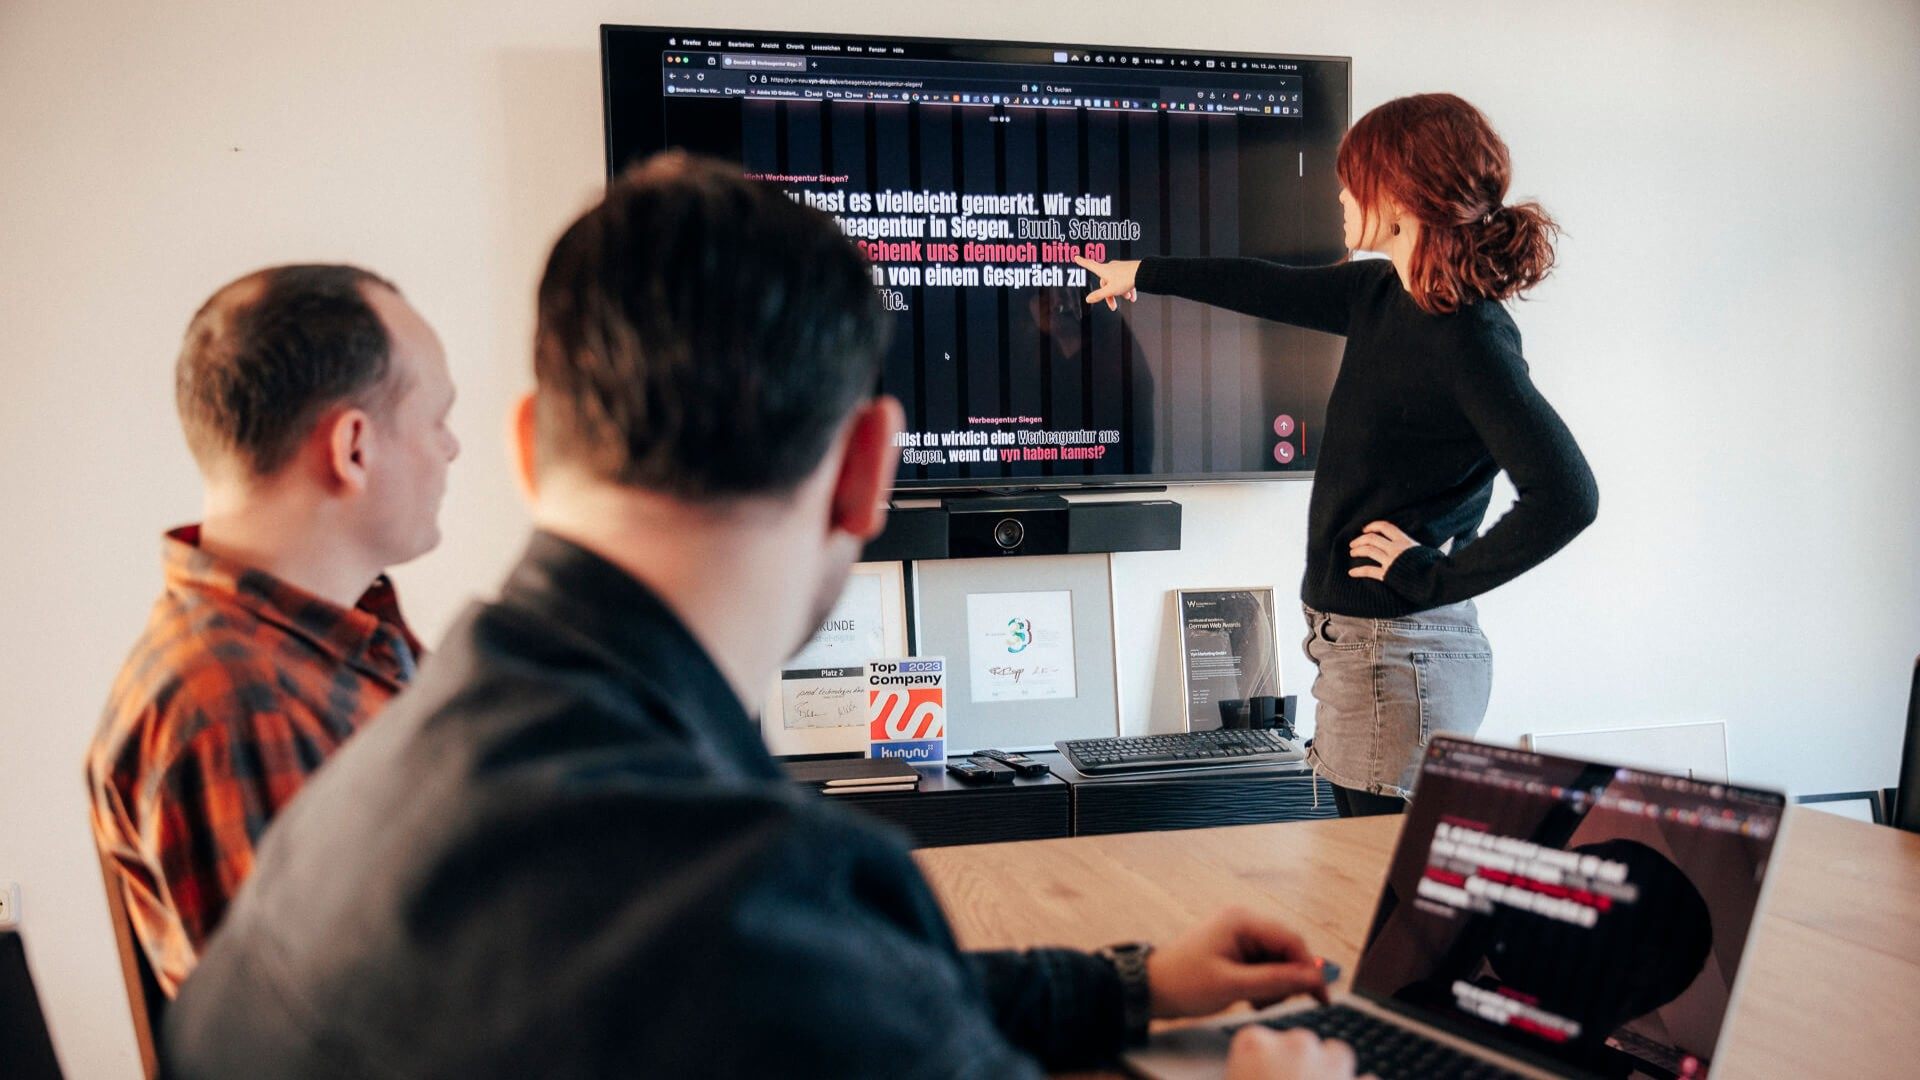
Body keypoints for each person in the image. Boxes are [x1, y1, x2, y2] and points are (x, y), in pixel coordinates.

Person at [163, 153, 1354, 1079]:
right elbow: (790, 981)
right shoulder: (743, 883)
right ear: (866, 471)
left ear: (529, 450)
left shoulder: (384, 769)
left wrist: (1129, 986)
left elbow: (828, 998)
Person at [1076, 94, 1599, 816]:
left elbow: (1568, 495)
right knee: (1362, 886)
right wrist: (1145, 273)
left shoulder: (1471, 337)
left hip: (1399, 653)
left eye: (1354, 179)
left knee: (1371, 893)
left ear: (1402, 198)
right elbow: (1265, 284)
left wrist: (1431, 574)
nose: (1341, 194)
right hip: (1363, 651)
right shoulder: (1384, 295)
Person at [87, 264, 459, 995]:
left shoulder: (330, 644)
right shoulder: (234, 706)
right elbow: (331, 1034)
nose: (452, 448)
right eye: (438, 419)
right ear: (353, 447)